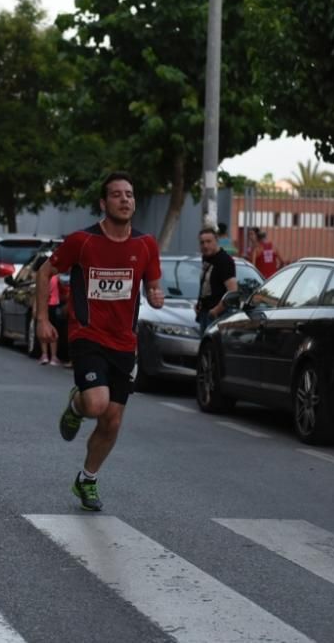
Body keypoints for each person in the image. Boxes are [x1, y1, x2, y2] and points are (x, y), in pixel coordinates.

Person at [35, 171, 164, 512]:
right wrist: (42, 319)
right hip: (87, 335)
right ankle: (77, 404)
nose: (125, 200)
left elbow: (153, 285)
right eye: (117, 194)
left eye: (130, 194)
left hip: (125, 343)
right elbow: (44, 272)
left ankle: (87, 479)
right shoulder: (83, 241)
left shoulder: (146, 245)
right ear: (103, 203)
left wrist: (156, 294)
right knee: (96, 404)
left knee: (113, 420)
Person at [196, 227, 238, 334]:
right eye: (202, 242)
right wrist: (199, 305)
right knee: (205, 349)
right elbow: (207, 284)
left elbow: (232, 292)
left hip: (218, 316)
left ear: (216, 241)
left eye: (209, 241)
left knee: (214, 349)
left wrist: (215, 311)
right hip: (204, 313)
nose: (205, 245)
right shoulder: (206, 257)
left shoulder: (225, 261)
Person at [34, 252, 64, 366]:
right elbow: (61, 290)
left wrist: (36, 307)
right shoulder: (56, 277)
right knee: (53, 332)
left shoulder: (41, 278)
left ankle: (44, 355)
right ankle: (54, 356)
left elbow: (37, 294)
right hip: (54, 304)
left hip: (44, 306)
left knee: (44, 331)